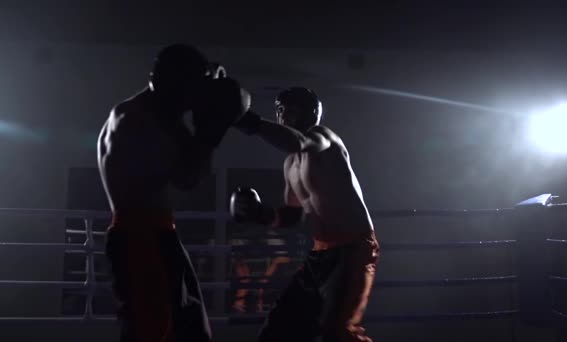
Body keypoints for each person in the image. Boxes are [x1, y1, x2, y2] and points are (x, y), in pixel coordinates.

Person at [97, 43, 249, 342]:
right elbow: (188, 177)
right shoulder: (135, 119)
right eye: (190, 92)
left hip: (160, 233)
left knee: (192, 332)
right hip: (139, 237)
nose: (191, 103)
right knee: (152, 331)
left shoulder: (160, 113)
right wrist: (209, 132)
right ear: (175, 85)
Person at [230, 87, 379, 342]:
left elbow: (297, 141)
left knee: (338, 333)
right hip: (319, 255)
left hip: (353, 249)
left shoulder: (323, 137)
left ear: (311, 112)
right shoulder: (290, 164)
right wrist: (259, 214)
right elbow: (292, 215)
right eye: (279, 110)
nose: (283, 115)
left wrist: (246, 120)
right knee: (277, 329)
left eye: (290, 109)